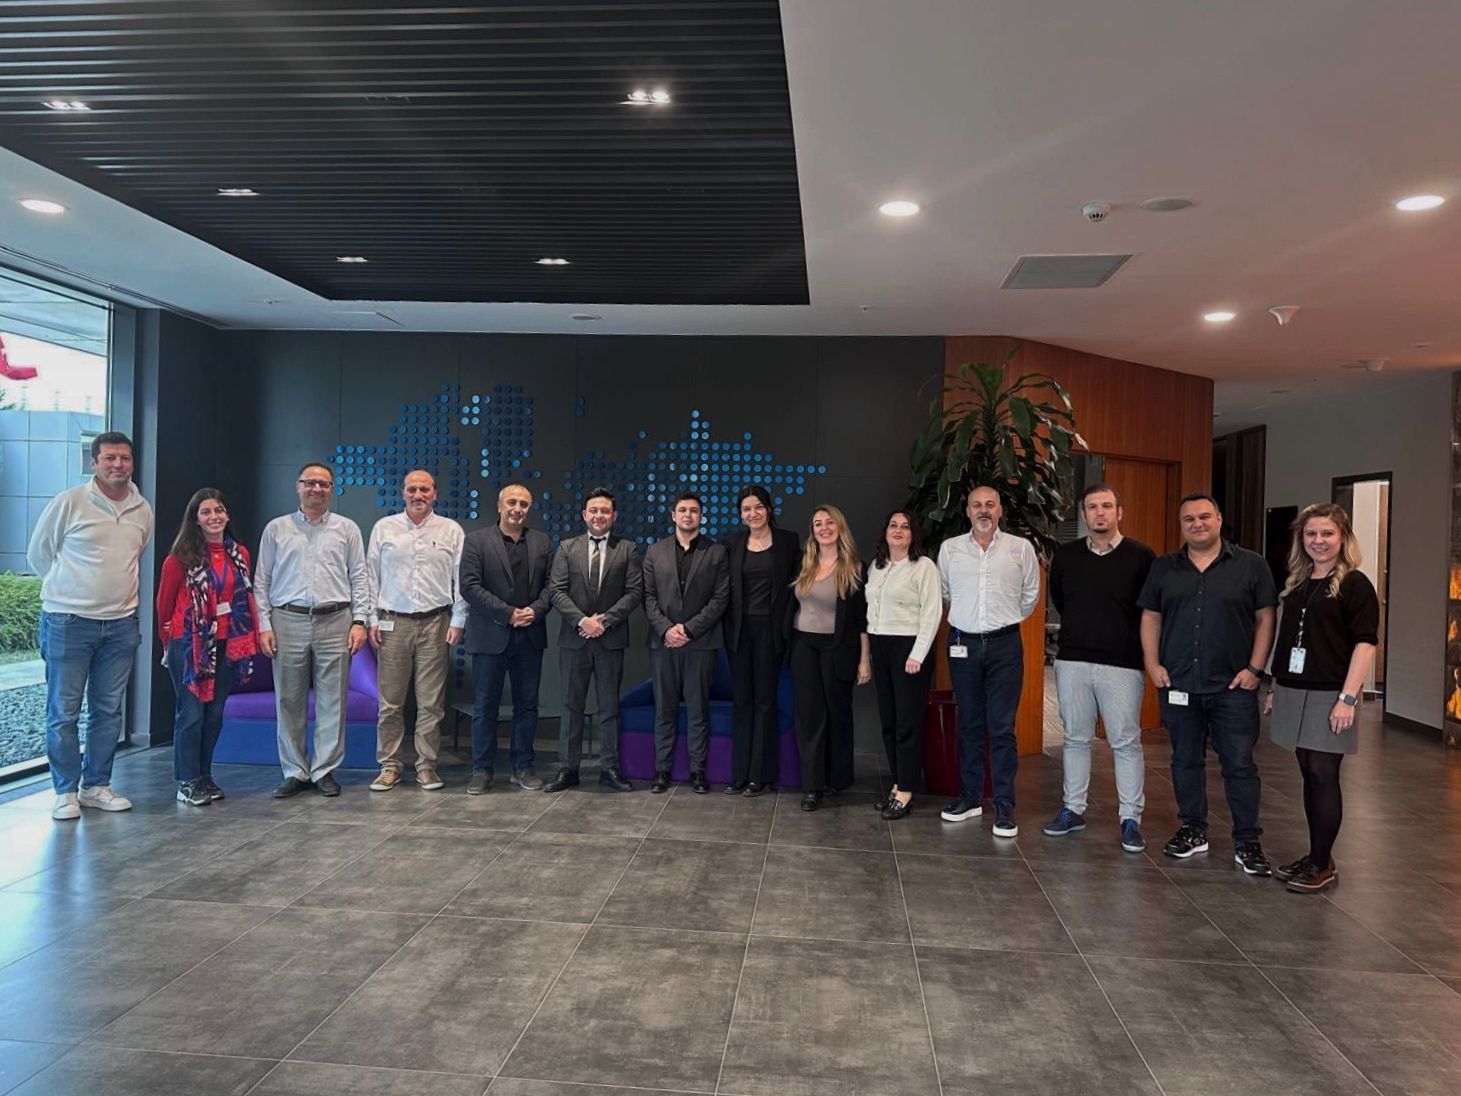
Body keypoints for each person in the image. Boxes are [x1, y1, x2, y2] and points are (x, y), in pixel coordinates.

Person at [1139, 492, 1278, 874]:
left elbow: (1266, 617)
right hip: (1179, 682)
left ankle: (1247, 841)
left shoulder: (1251, 565)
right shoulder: (1164, 567)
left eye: (1204, 516)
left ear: (1218, 519)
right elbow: (1151, 616)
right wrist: (1152, 663)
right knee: (1185, 760)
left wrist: (1255, 669)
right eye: (1189, 519)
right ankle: (1193, 830)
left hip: (1233, 687)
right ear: (1181, 525)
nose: (1197, 524)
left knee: (1239, 765)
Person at [26, 431, 153, 821]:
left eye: (124, 458)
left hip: (120, 624)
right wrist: (71, 592)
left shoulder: (142, 508)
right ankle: (65, 791)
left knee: (108, 710)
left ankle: (96, 785)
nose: (118, 465)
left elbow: (134, 556)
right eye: (109, 458)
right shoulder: (70, 502)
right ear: (94, 462)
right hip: (68, 622)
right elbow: (39, 555)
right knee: (64, 711)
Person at [1263, 503, 1378, 893]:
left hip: (1331, 692)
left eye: (1327, 533)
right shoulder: (1298, 582)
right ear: (1302, 539)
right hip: (1293, 688)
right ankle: (1318, 855)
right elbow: (1288, 638)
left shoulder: (1354, 584)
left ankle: (1321, 864)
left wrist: (1348, 698)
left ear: (1342, 538)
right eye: (1311, 534)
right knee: (1308, 772)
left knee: (1324, 774)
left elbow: (1365, 644)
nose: (1319, 541)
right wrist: (1275, 686)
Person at [1043, 484, 1157, 851]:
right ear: (1084, 514)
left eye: (1107, 506)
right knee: (1075, 739)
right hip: (1073, 661)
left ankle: (1130, 819)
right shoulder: (1066, 556)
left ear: (1119, 512)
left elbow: (1149, 611)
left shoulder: (1142, 557)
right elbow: (1060, 599)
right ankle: (1073, 810)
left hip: (1122, 664)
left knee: (1125, 742)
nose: (1100, 513)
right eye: (1092, 507)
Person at [256, 462, 371, 798]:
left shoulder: (347, 529)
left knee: (333, 700)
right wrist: (264, 625)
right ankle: (294, 770)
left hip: (336, 619)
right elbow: (262, 580)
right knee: (288, 700)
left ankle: (324, 770)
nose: (316, 489)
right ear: (298, 486)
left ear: (332, 489)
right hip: (287, 619)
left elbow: (359, 576)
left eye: (323, 484)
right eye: (310, 483)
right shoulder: (276, 529)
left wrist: (360, 621)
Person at [936, 486, 1041, 836]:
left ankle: (1004, 805)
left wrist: (1004, 619)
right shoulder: (950, 549)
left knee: (1001, 727)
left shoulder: (1020, 548)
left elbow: (1030, 595)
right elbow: (945, 594)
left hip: (1004, 646)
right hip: (963, 644)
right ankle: (970, 797)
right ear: (967, 511)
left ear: (1000, 511)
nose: (983, 510)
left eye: (990, 504)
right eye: (977, 505)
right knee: (969, 724)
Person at [156, 489, 260, 806]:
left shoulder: (239, 554)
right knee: (191, 715)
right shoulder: (179, 559)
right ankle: (186, 781)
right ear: (196, 519)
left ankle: (204, 775)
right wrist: (168, 644)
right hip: (190, 646)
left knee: (214, 716)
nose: (214, 517)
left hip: (229, 643)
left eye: (219, 510)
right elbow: (164, 605)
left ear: (227, 515)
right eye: (206, 512)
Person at [365, 470, 467, 794]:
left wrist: (459, 620)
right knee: (390, 703)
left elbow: (461, 579)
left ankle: (426, 766)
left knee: (431, 703)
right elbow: (370, 577)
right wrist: (371, 619)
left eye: (424, 489)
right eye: (412, 489)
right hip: (392, 623)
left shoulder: (451, 530)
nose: (418, 495)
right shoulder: (384, 528)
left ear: (434, 493)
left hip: (436, 622)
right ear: (403, 492)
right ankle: (390, 766)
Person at [544, 488, 642, 793]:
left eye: (605, 511)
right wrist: (582, 621)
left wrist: (604, 621)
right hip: (574, 639)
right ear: (585, 515)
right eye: (594, 511)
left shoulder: (628, 549)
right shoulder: (566, 548)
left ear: (614, 516)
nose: (599, 516)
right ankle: (568, 768)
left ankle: (609, 768)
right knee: (571, 705)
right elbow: (556, 590)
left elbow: (634, 592)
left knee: (609, 707)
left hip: (610, 639)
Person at [461, 482, 553, 794]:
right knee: (485, 706)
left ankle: (523, 766)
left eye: (523, 504)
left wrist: (535, 611)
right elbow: (470, 586)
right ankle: (482, 769)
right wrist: (508, 613)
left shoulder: (542, 542)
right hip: (490, 635)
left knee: (527, 706)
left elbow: (552, 586)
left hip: (530, 636)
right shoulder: (476, 541)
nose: (517, 509)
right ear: (500, 506)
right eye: (512, 502)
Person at [641, 492, 730, 794]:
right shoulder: (655, 551)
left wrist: (689, 629)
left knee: (698, 710)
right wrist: (667, 629)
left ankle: (698, 771)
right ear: (673, 515)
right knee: (664, 710)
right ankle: (662, 770)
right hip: (663, 643)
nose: (688, 515)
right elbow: (648, 597)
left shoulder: (716, 552)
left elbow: (720, 598)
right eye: (682, 510)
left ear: (701, 516)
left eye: (693, 510)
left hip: (700, 643)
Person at [786, 505, 870, 812]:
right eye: (818, 523)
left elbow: (862, 620)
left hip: (838, 647)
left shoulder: (855, 567)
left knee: (837, 714)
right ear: (813, 530)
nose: (824, 528)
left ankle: (837, 778)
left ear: (840, 526)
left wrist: (864, 660)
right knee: (809, 716)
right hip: (803, 644)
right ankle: (813, 787)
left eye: (829, 522)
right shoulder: (802, 561)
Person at [722, 485, 801, 796]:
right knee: (742, 701)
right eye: (746, 509)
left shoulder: (788, 542)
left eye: (758, 507)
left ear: (768, 509)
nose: (753, 513)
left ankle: (761, 775)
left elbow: (795, 590)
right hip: (739, 632)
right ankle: (739, 773)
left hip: (771, 630)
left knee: (765, 702)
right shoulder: (732, 543)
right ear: (741, 514)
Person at [864, 510, 941, 820]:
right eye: (893, 525)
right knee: (889, 720)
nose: (898, 530)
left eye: (905, 526)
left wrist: (917, 655)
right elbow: (870, 610)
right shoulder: (877, 566)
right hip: (880, 646)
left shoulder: (924, 567)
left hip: (909, 649)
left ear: (913, 534)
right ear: (885, 531)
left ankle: (907, 790)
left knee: (907, 723)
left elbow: (932, 612)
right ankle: (897, 785)